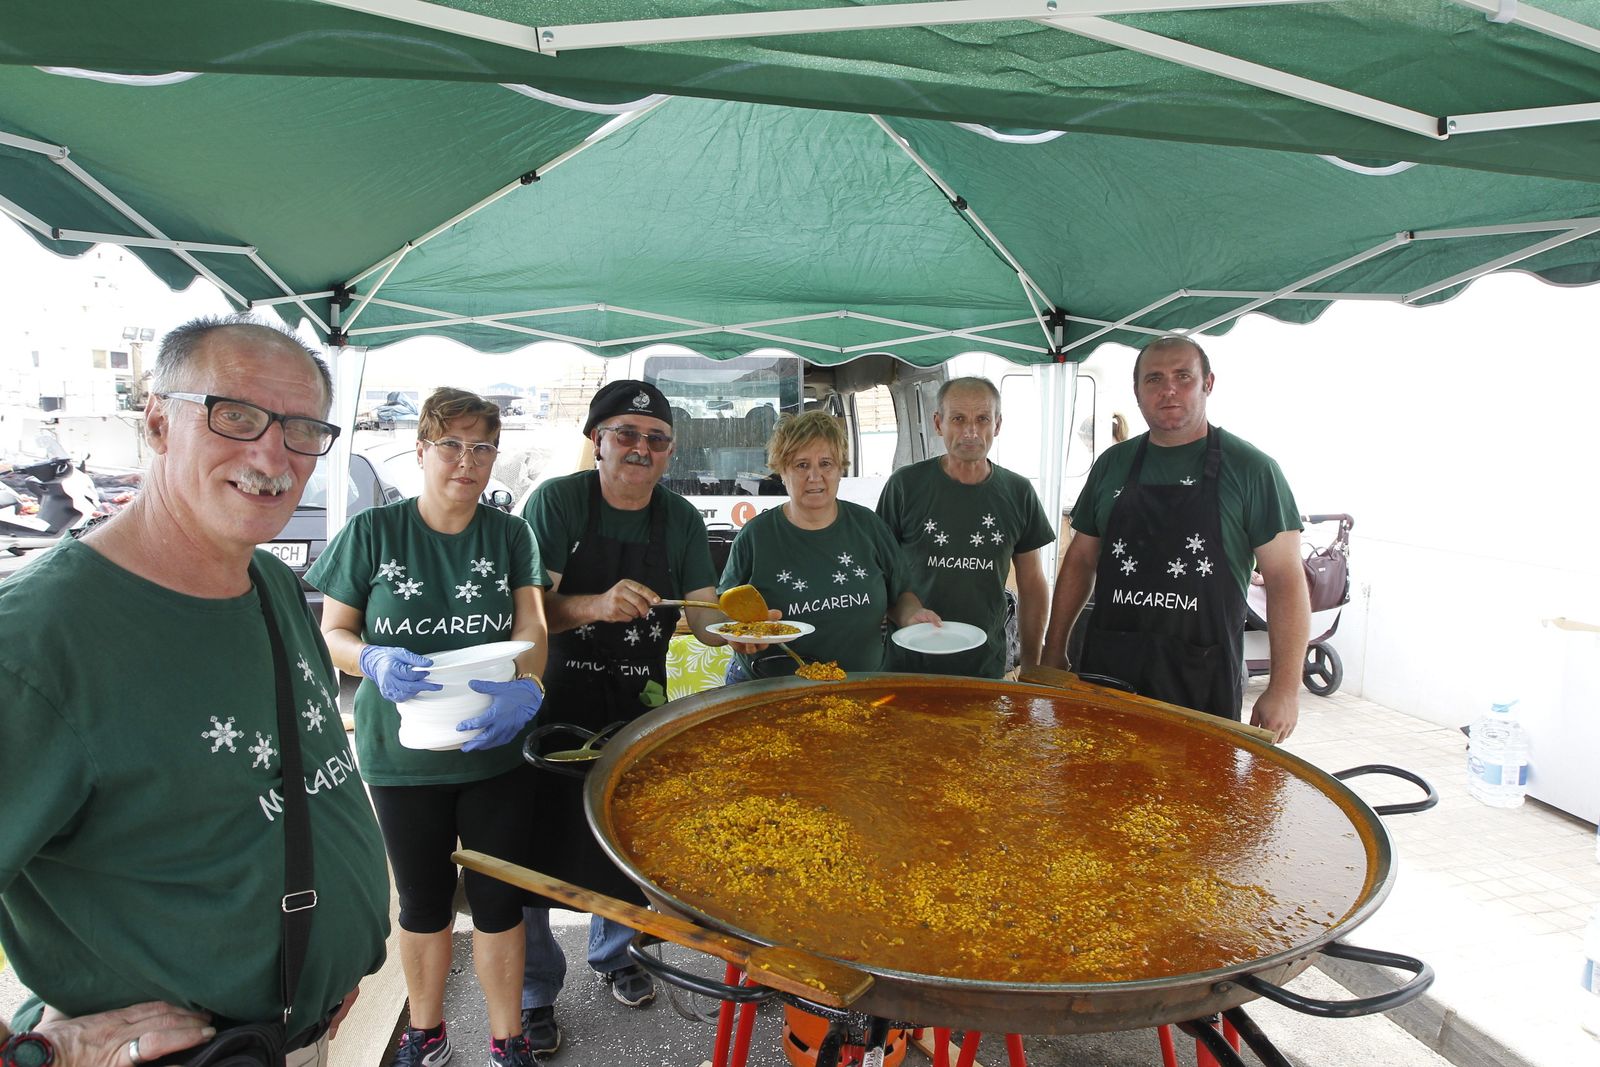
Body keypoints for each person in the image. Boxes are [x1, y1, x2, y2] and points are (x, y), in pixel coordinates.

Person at [0, 315, 389, 1067]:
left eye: (303, 428)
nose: (272, 454)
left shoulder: (272, 583)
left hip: (297, 1038)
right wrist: (40, 1052)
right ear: (155, 422)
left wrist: (325, 963)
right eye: (235, 416)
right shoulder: (35, 644)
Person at [307, 388, 548, 1067]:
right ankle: (426, 1031)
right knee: (422, 902)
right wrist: (372, 658)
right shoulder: (373, 533)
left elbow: (531, 624)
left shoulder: (509, 533)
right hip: (401, 757)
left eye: (482, 448)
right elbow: (334, 632)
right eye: (451, 444)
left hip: (493, 748)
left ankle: (508, 1038)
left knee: (501, 903)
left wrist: (528, 685)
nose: (466, 461)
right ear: (420, 450)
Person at [517, 380, 728, 1054]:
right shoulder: (556, 501)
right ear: (598, 440)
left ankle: (615, 954)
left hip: (637, 700)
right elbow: (528, 611)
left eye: (656, 439)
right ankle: (533, 990)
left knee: (627, 838)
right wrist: (593, 605)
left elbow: (704, 615)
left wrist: (747, 629)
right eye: (627, 434)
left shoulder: (681, 520)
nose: (641, 448)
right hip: (549, 700)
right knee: (534, 845)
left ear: (669, 453)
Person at [1041, 336, 1309, 740]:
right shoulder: (1113, 464)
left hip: (1200, 677)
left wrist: (1285, 688)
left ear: (1208, 383)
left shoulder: (1253, 470)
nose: (1168, 389)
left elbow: (1286, 580)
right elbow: (1080, 560)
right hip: (1108, 671)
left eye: (1183, 376)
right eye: (1154, 379)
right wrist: (1053, 647)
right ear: (1137, 392)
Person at [722, 410, 939, 681]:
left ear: (840, 469)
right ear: (782, 471)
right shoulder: (755, 536)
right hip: (771, 691)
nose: (815, 476)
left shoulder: (869, 527)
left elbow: (901, 595)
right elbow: (726, 611)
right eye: (801, 465)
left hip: (861, 686)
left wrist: (913, 616)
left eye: (826, 463)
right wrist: (739, 634)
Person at [875, 377, 1054, 679]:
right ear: (938, 423)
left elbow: (1033, 584)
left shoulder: (1018, 492)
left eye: (982, 419)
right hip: (907, 667)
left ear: (997, 425)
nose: (971, 431)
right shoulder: (904, 486)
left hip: (984, 668)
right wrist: (902, 613)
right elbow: (878, 573)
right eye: (958, 419)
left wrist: (1033, 666)